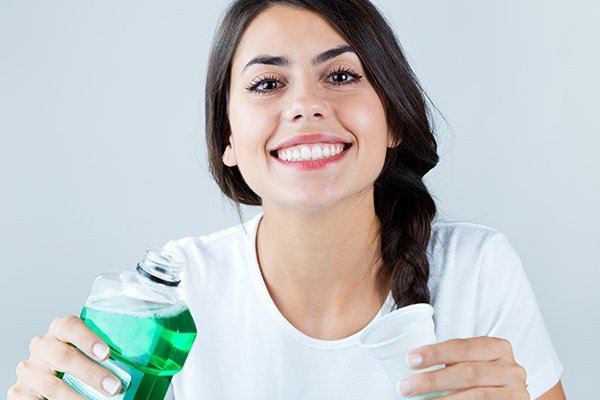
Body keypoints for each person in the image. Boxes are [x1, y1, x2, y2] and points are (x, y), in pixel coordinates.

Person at [8, 1, 566, 399]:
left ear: (394, 119)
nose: (305, 105)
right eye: (268, 85)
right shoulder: (168, 298)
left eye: (341, 75)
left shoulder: (476, 271)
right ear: (227, 138)